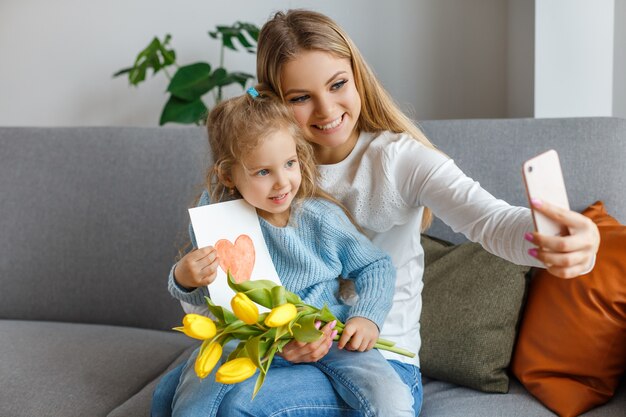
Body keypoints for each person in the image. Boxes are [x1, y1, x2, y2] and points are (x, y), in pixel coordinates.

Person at [152, 9, 600, 417]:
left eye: (337, 84)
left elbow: (489, 220)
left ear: (357, 77)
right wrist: (266, 335)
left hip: (377, 358)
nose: (328, 111)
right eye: (301, 97)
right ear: (274, 102)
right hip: (278, 350)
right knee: (177, 399)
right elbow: (219, 285)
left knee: (235, 407)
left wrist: (554, 240)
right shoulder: (253, 172)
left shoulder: (398, 160)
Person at [166, 87, 417, 417]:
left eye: (289, 163)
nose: (282, 182)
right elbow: (213, 297)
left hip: (326, 332)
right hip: (250, 339)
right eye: (263, 172)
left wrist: (366, 316)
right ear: (229, 175)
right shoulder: (219, 221)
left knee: (389, 397)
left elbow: (376, 266)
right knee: (187, 398)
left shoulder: (318, 218)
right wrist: (185, 279)